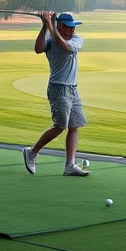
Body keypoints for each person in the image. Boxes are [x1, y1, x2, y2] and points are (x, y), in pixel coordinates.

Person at [22, 12, 90, 177]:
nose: (72, 30)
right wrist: (45, 25)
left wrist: (50, 26)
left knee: (74, 125)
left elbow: (65, 46)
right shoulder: (52, 40)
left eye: (73, 27)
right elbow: (38, 49)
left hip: (73, 88)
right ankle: (32, 152)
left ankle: (70, 165)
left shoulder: (76, 40)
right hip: (58, 88)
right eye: (68, 27)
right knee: (60, 126)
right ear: (60, 26)